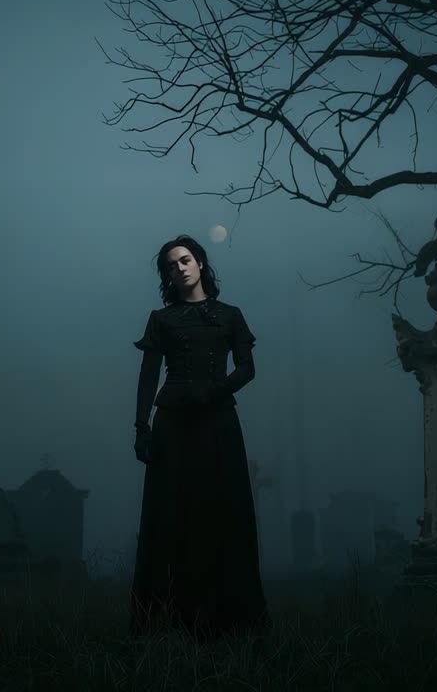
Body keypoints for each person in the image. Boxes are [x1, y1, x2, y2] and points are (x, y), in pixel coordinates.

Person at [129, 234, 270, 640]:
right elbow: (147, 378)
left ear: (202, 262)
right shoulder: (161, 319)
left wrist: (213, 391)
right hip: (171, 424)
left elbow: (247, 369)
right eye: (170, 265)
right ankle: (168, 621)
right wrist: (141, 429)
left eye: (185, 259)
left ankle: (228, 622)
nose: (179, 268)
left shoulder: (231, 315)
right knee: (170, 518)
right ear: (166, 276)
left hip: (218, 421)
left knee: (223, 514)